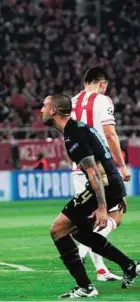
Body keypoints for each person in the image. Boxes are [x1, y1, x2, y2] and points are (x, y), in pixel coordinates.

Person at [40, 94, 139, 298]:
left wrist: (103, 207)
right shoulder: (78, 128)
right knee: (78, 232)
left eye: (44, 106)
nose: (41, 110)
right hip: (111, 185)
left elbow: (94, 171)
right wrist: (118, 192)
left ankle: (86, 287)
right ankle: (128, 265)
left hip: (105, 185)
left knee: (58, 230)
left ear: (53, 111)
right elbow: (103, 161)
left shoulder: (73, 134)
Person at [71, 67, 131, 281]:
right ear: (102, 83)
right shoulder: (103, 100)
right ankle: (82, 251)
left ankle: (101, 270)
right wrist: (122, 165)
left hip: (78, 167)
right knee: (116, 215)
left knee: (91, 218)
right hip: (100, 167)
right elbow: (110, 134)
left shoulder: (72, 101)